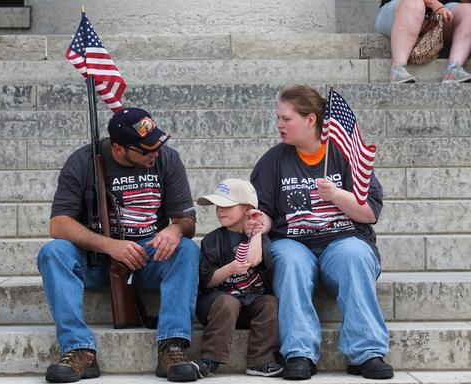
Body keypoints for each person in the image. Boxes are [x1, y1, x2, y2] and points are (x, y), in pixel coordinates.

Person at [37, 107, 200, 383]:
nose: (154, 154)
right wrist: (111, 246)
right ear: (119, 149)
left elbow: (187, 220)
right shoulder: (82, 162)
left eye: (157, 147)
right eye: (146, 151)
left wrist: (175, 229)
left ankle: (173, 345)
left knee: (187, 249)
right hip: (96, 260)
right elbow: (59, 224)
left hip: (148, 257)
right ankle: (78, 349)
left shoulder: (167, 159)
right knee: (53, 253)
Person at [249, 85, 393, 380]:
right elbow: (265, 212)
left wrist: (337, 196)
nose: (279, 125)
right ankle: (300, 353)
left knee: (354, 256)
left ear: (311, 120)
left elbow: (370, 213)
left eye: (286, 119)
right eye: (279, 118)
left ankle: (367, 353)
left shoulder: (344, 154)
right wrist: (257, 221)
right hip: (293, 241)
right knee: (289, 260)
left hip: (343, 240)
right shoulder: (273, 161)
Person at [192, 179, 283, 378]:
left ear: (247, 209)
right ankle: (209, 358)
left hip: (250, 304)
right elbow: (207, 281)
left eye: (227, 205)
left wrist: (256, 232)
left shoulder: (261, 239)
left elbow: (253, 260)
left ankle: (260, 361)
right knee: (227, 302)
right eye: (217, 206)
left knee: (270, 303)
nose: (220, 211)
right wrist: (230, 269)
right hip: (217, 307)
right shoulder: (212, 240)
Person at [375, 0, 471, 83]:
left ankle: (454, 69)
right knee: (415, 4)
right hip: (401, 9)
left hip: (441, 14)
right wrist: (435, 5)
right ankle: (398, 69)